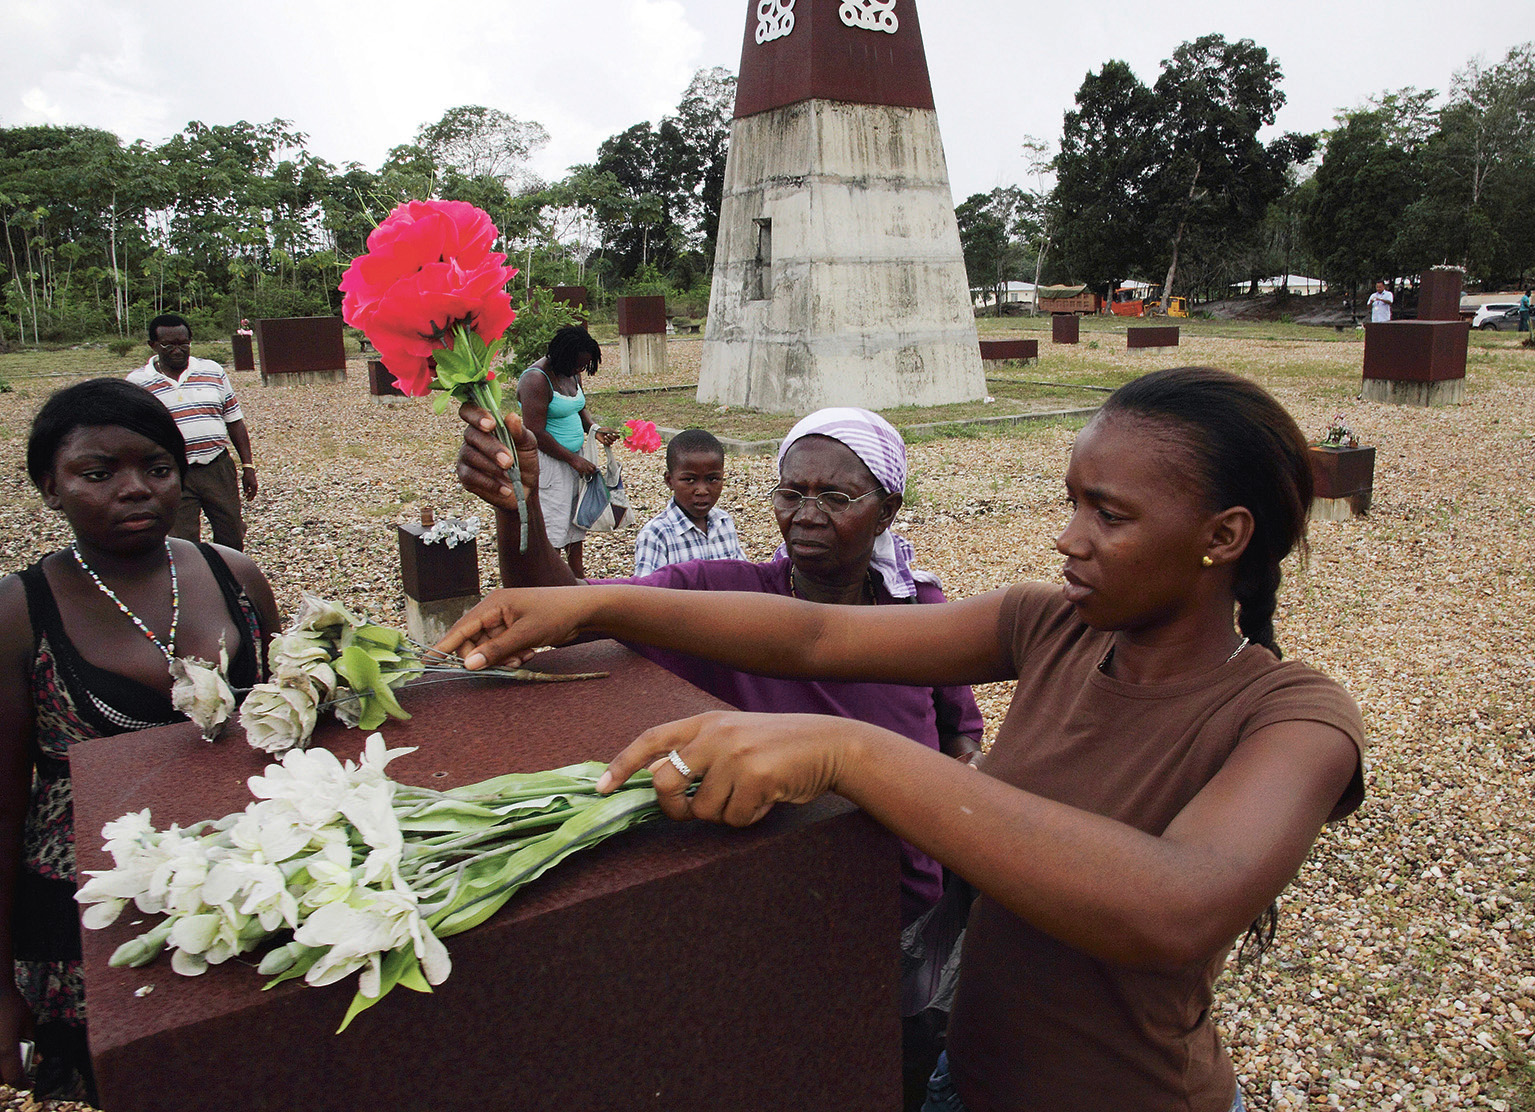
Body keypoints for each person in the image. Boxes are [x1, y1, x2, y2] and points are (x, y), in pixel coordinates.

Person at [440, 368, 1367, 1112]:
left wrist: (849, 753)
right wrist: (588, 600)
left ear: (1223, 536)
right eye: (1072, 502)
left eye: (1107, 515)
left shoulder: (1293, 719)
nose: (1065, 539)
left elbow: (1172, 910)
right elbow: (812, 634)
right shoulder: (1047, 625)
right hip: (961, 1085)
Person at [0, 379, 280, 1102]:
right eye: (97, 474)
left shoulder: (236, 577)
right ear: (48, 487)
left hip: (245, 883)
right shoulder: (19, 612)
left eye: (157, 469)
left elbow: (290, 729)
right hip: (97, 911)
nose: (136, 490)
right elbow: (3, 805)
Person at [127, 313, 258, 551]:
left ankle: (229, 582)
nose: (178, 349)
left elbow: (234, 421)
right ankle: (193, 585)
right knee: (182, 543)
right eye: (169, 345)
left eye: (183, 343)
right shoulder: (138, 383)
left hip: (216, 467)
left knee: (232, 534)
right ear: (153, 345)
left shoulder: (212, 371)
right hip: (172, 473)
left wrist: (248, 466)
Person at [516, 326, 620, 578]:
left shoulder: (572, 373)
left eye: (583, 366)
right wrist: (573, 459)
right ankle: (551, 578)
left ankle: (576, 576)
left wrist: (594, 429)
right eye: (577, 365)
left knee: (576, 519)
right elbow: (535, 433)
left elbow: (578, 407)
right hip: (550, 463)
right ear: (561, 356)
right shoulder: (536, 380)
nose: (579, 370)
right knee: (554, 522)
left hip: (575, 459)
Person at [633, 428, 746, 576]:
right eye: (689, 480)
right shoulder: (657, 535)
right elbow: (646, 594)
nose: (702, 490)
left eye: (712, 479)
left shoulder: (724, 523)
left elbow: (744, 576)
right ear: (669, 480)